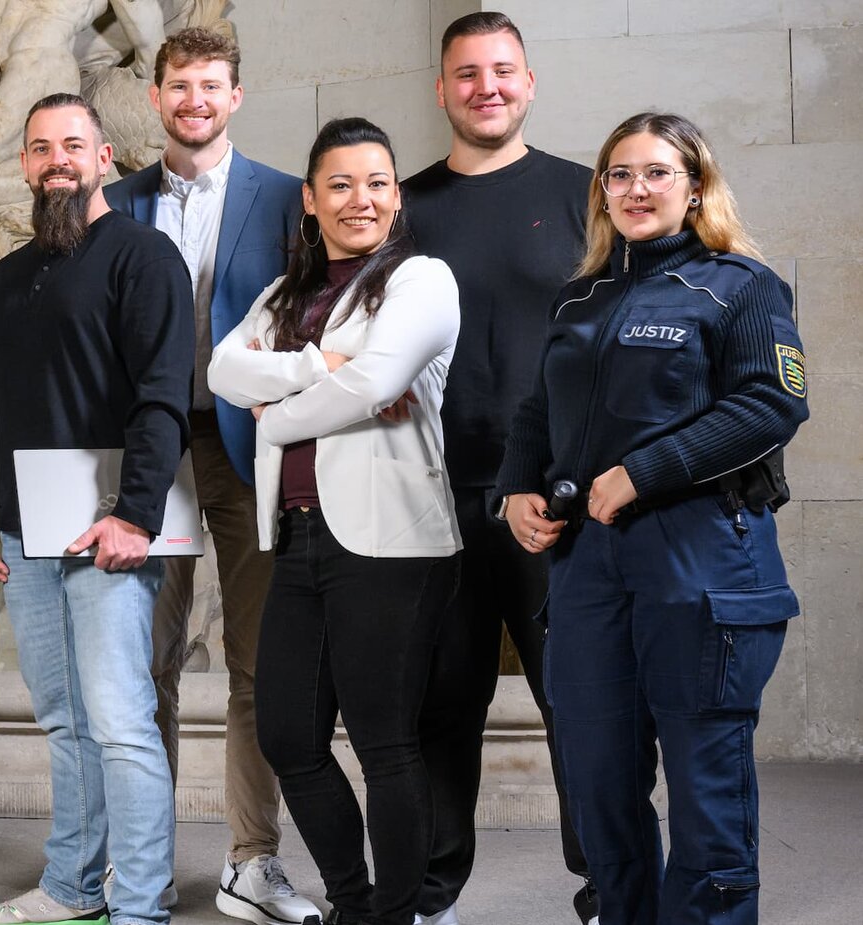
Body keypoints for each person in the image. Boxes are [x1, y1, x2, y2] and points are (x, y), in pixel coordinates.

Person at [497, 112, 806, 925]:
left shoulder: (740, 286)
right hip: (589, 572)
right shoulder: (583, 295)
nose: (635, 188)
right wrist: (517, 485)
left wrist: (643, 472)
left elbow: (773, 402)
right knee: (600, 788)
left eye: (656, 172)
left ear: (695, 184)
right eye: (619, 174)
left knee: (707, 792)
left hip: (701, 564)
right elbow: (538, 409)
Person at [210, 117, 461, 925]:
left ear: (397, 195)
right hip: (299, 536)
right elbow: (221, 366)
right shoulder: (288, 295)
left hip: (391, 539)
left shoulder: (421, 279)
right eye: (341, 184)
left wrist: (279, 414)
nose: (362, 198)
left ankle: (391, 915)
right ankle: (354, 903)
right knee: (288, 736)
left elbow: (378, 379)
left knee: (386, 742)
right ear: (311, 201)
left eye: (378, 182)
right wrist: (322, 366)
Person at [98, 31, 316, 925]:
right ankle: (138, 863)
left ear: (235, 97)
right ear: (154, 98)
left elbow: (308, 308)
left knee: (257, 663)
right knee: (142, 667)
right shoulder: (113, 203)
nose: (195, 99)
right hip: (144, 455)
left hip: (246, 446)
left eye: (211, 85)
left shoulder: (282, 198)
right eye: (179, 85)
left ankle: (252, 860)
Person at [0, 93, 190, 925]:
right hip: (26, 531)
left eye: (73, 145)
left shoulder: (143, 255)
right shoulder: (6, 276)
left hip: (109, 528)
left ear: (103, 159)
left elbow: (163, 394)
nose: (56, 158)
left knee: (123, 721)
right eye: (39, 147)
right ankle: (70, 886)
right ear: (25, 165)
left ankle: (136, 906)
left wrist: (135, 512)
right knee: (64, 718)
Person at [399, 14, 599, 924]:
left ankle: (608, 887)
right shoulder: (399, 205)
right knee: (442, 706)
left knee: (579, 699)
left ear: (529, 81)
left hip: (551, 496)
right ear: (441, 89)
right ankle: (430, 893)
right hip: (431, 493)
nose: (487, 86)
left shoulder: (586, 195)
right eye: (467, 72)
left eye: (503, 70)